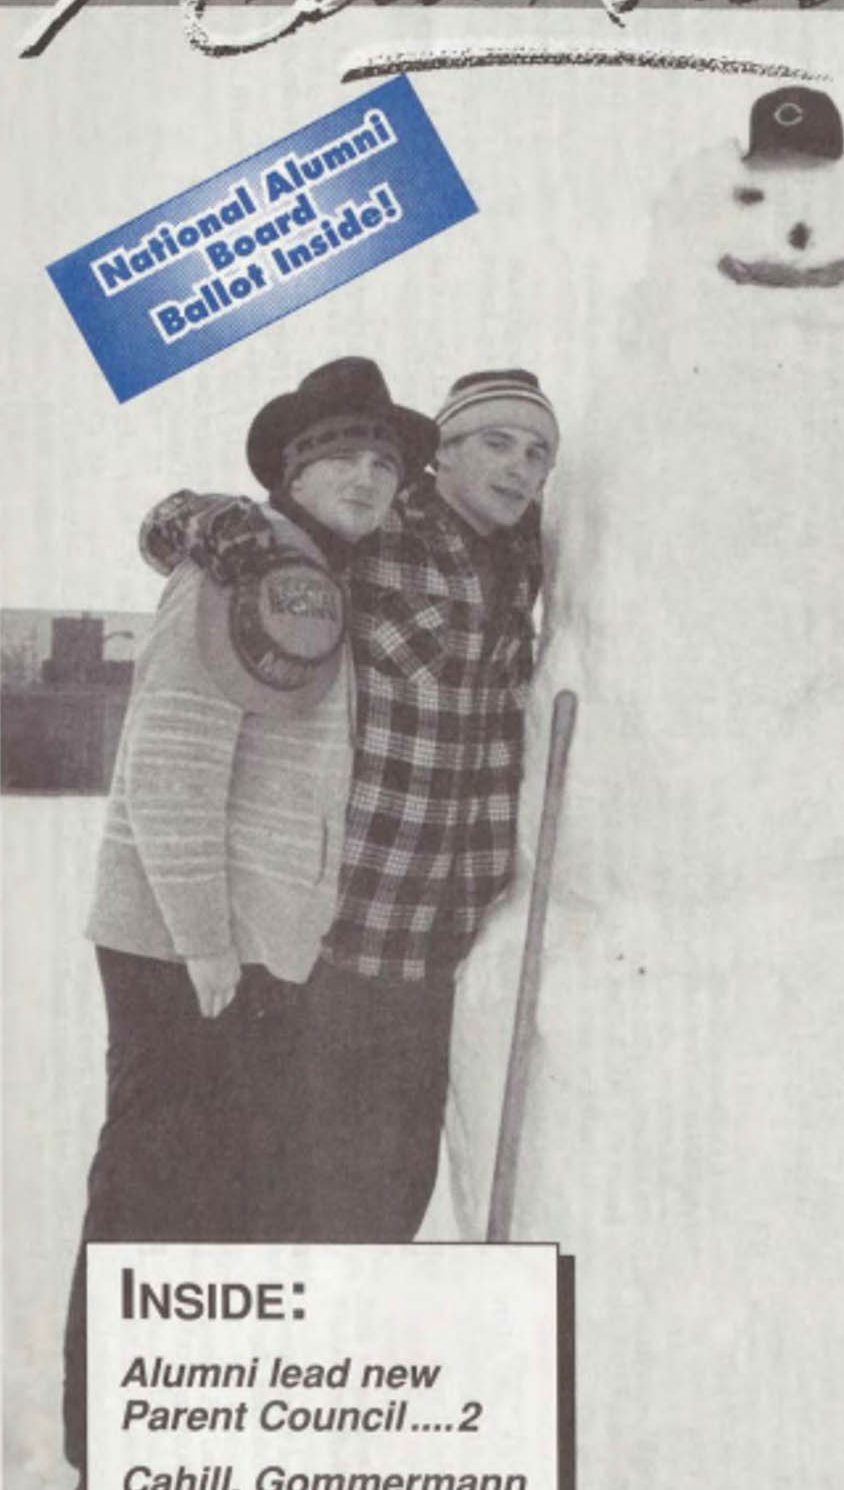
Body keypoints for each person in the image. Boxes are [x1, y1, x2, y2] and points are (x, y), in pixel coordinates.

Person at [64, 355, 422, 1490]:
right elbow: (166, 764)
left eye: (383, 460)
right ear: (288, 467)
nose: (367, 475)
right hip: (185, 948)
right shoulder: (241, 574)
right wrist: (208, 944)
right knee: (156, 1196)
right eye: (341, 455)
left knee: (218, 1195)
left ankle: (176, 1462)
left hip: (251, 950)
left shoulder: (306, 572)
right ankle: (107, 1484)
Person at [139, 363, 558, 1243]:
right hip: (340, 932)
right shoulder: (382, 524)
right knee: (301, 1194)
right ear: (435, 455)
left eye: (539, 453)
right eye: (496, 442)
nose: (520, 468)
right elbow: (211, 524)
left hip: (445, 939)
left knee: (395, 1197)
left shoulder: (525, 552)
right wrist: (199, 522)